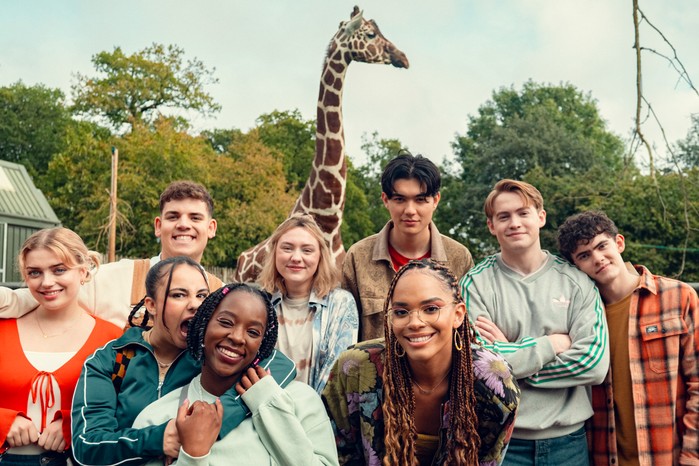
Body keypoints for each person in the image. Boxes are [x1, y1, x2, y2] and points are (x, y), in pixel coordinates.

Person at [71, 256, 296, 466]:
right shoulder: (111, 360)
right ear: (151, 304)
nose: (195, 305)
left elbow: (280, 364)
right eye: (179, 295)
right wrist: (159, 439)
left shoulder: (210, 354)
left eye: (201, 296)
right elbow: (87, 445)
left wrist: (214, 421)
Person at [460, 179, 609, 466]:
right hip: (502, 444)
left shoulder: (577, 282)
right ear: (492, 226)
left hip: (568, 444)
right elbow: (477, 366)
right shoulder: (475, 285)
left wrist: (512, 359)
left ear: (540, 217)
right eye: (504, 216)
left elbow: (594, 364)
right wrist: (551, 344)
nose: (514, 222)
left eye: (523, 213)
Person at [324, 259, 519, 465]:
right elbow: (338, 454)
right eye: (401, 312)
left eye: (431, 308)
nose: (415, 322)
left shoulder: (494, 382)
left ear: (458, 314)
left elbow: (488, 460)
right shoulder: (355, 368)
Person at [132, 282, 339, 466]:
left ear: (262, 345)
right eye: (225, 322)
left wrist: (269, 404)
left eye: (253, 332)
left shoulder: (301, 400)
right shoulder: (157, 419)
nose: (238, 337)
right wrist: (193, 455)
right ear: (203, 326)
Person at [557, 210, 699, 466]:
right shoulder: (577, 317)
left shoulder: (679, 297)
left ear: (619, 242)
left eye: (602, 246)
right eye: (584, 256)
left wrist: (692, 454)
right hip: (601, 456)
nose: (598, 259)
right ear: (576, 265)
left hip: (667, 456)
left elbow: (697, 383)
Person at [0, 180, 223, 328]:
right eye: (173, 216)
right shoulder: (113, 278)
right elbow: (30, 298)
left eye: (195, 218)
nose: (183, 225)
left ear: (211, 228)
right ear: (158, 225)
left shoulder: (221, 295)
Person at [0, 227, 122, 465]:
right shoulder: (2, 329)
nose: (47, 282)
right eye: (35, 272)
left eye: (59, 270)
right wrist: (2, 422)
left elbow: (126, 407)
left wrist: (73, 423)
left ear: (83, 272)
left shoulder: (112, 339)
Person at [342, 152, 474, 341]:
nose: (410, 210)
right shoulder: (358, 256)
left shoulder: (459, 257)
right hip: (376, 369)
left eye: (420, 200)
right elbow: (346, 333)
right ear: (385, 200)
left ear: (435, 200)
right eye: (400, 199)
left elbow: (466, 331)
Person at [258, 214, 358, 393]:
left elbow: (337, 372)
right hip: (266, 411)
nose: (296, 258)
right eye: (287, 248)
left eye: (307, 250)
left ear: (321, 256)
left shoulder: (341, 304)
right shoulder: (260, 304)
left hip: (318, 415)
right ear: (274, 253)